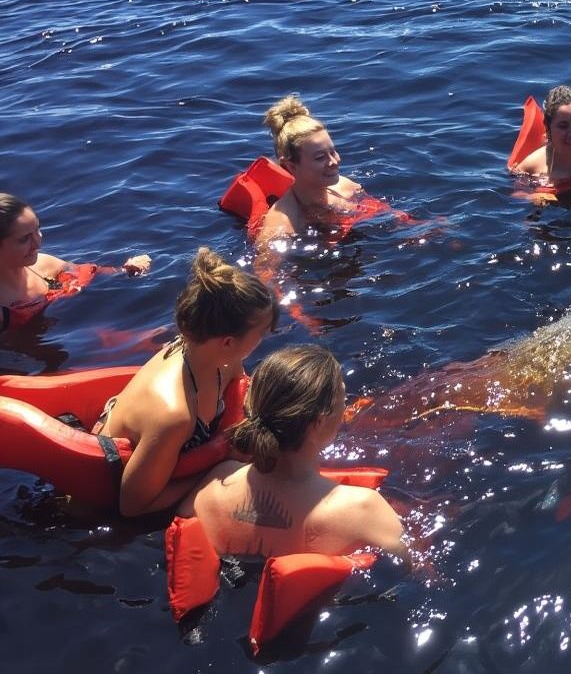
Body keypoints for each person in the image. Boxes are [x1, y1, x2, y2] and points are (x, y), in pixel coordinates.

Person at [178, 344, 407, 560]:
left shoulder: (213, 486)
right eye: (343, 400)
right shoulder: (364, 510)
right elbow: (413, 569)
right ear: (319, 422)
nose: (345, 407)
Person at [93, 248, 277, 516]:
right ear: (228, 342)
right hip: (120, 505)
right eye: (261, 334)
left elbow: (240, 393)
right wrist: (218, 469)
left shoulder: (218, 359)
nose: (265, 339)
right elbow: (132, 507)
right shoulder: (174, 415)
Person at [0, 192, 151, 333]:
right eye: (24, 239)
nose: (37, 243)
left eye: (37, 229)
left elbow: (92, 272)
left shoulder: (43, 265)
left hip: (82, 329)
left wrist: (127, 270)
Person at [257, 94, 375, 243]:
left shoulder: (347, 188)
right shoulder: (282, 224)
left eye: (333, 152)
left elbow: (389, 215)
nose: (334, 161)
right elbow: (266, 259)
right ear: (291, 166)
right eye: (320, 157)